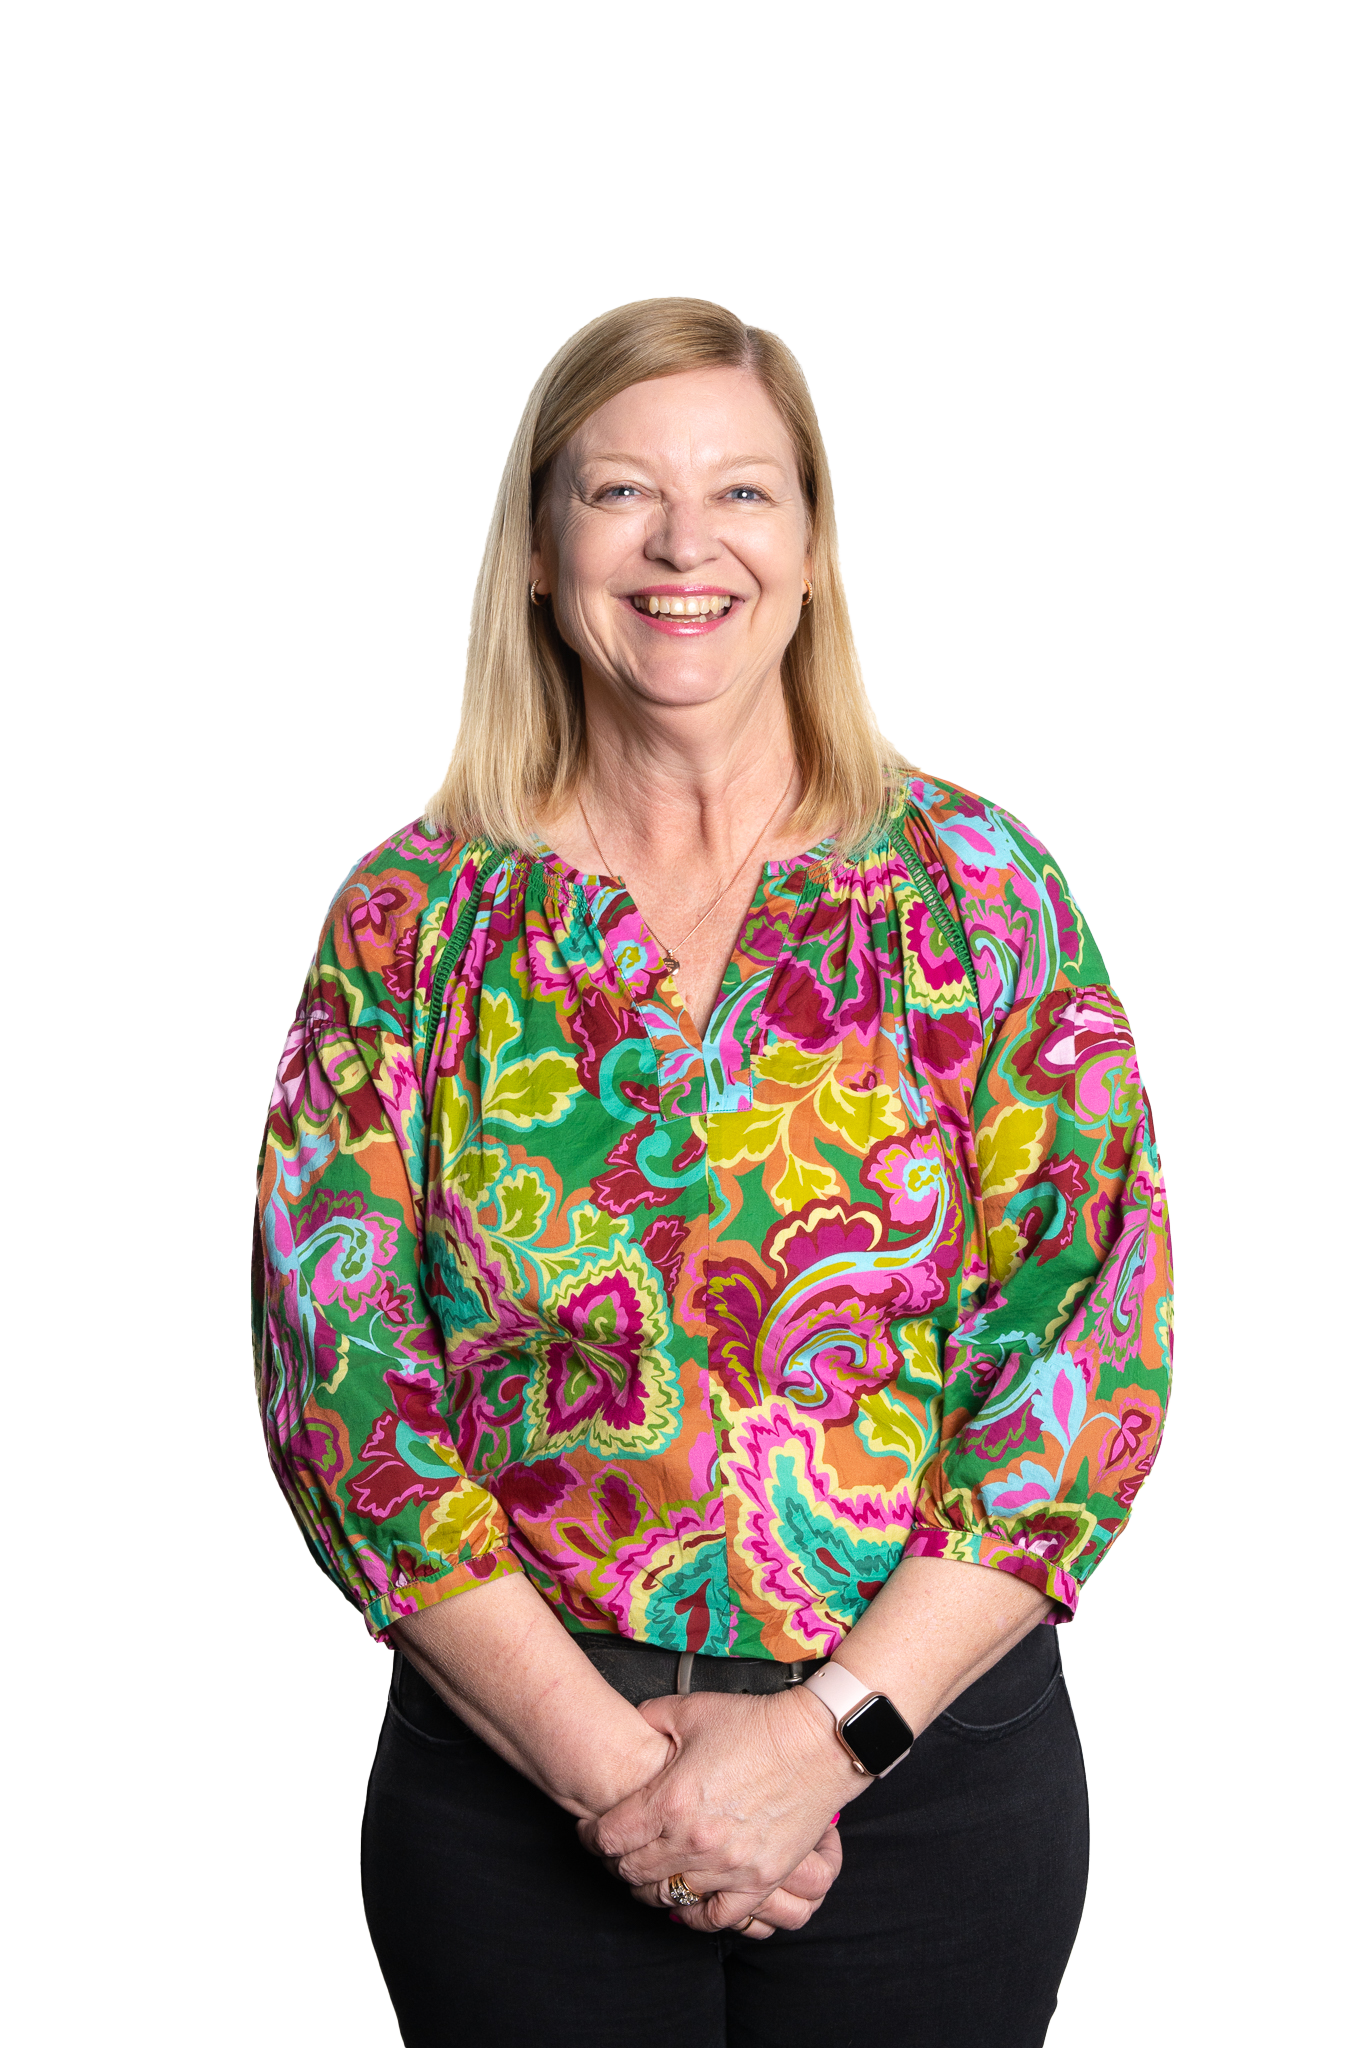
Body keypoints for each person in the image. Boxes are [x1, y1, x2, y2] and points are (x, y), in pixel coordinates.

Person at [253, 296, 1173, 2048]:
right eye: (622, 493)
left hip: (923, 1769)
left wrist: (824, 1743)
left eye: (743, 492)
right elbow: (341, 1384)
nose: (687, 545)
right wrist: (623, 1779)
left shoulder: (978, 891)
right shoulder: (410, 922)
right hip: (516, 1780)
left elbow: (1089, 1351)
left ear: (811, 550)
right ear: (541, 553)